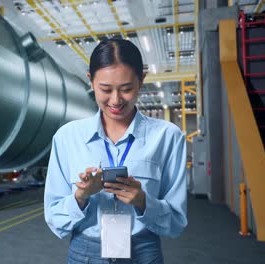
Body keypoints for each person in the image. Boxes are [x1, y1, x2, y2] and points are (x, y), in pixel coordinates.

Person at [44, 39, 187, 264]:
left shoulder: (168, 137)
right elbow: (54, 219)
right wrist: (81, 196)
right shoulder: (67, 137)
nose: (116, 100)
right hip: (84, 254)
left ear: (141, 81)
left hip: (143, 252)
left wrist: (143, 201)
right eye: (105, 89)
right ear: (90, 81)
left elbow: (176, 222)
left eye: (126, 89)